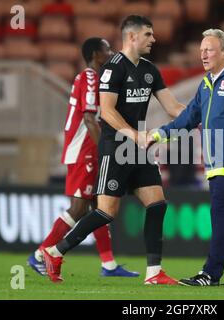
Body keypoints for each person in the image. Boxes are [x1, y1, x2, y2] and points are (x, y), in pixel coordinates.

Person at [41, 16, 185, 284]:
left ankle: (154, 274)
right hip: (116, 147)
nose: (153, 39)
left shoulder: (150, 70)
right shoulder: (113, 69)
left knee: (157, 204)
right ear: (131, 37)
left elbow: (173, 107)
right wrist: (133, 134)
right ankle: (55, 251)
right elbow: (106, 111)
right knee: (106, 212)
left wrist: (201, 114)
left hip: (138, 148)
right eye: (148, 34)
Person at [148, 29, 224, 286]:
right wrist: (159, 135)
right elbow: (188, 118)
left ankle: (210, 273)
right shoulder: (206, 83)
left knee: (221, 214)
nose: (203, 54)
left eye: (209, 49)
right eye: (201, 49)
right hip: (215, 163)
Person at [27, 38, 139, 279]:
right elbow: (89, 119)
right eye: (107, 49)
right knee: (79, 208)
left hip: (87, 150)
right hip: (84, 151)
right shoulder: (89, 77)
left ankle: (108, 265)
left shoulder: (98, 80)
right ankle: (39, 255)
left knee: (99, 207)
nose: (110, 53)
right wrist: (104, 151)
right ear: (96, 54)